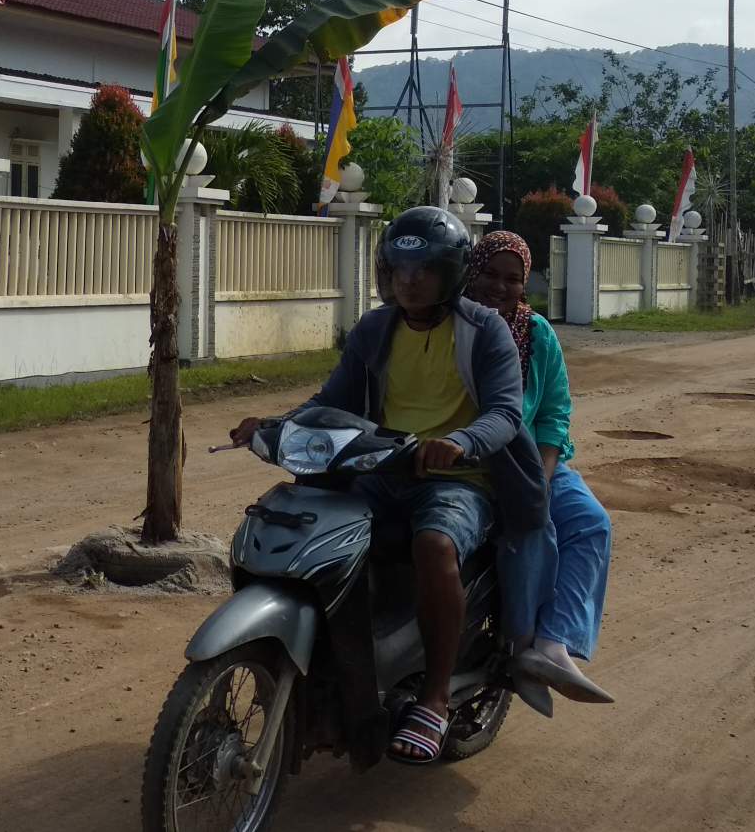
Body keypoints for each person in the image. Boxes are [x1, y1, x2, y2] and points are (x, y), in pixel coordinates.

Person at [231, 207, 546, 765]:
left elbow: (506, 413)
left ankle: (434, 697)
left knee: (434, 543)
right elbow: (331, 400)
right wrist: (277, 426)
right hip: (383, 471)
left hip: (460, 479)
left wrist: (463, 443)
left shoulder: (484, 330)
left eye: (423, 268)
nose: (408, 279)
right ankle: (338, 671)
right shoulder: (375, 329)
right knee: (315, 532)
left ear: (450, 273)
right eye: (398, 267)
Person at [462, 230, 614, 712]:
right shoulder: (452, 325)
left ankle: (555, 644)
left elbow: (553, 413)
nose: (499, 287)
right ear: (470, 271)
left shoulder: (537, 333)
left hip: (536, 461)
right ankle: (520, 645)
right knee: (533, 531)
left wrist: (544, 475)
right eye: (489, 274)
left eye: (512, 279)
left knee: (591, 522)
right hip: (472, 462)